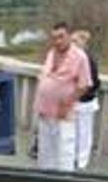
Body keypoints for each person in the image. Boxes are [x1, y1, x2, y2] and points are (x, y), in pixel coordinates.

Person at [32, 22, 93, 171]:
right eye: (54, 38)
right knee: (45, 152)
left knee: (64, 151)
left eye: (61, 37)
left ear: (69, 36)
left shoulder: (80, 56)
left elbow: (85, 85)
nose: (57, 41)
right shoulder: (51, 53)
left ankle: (64, 181)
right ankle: (45, 180)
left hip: (63, 113)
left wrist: (67, 104)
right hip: (45, 111)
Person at [71, 30, 101, 170]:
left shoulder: (88, 59)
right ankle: (74, 159)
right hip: (75, 102)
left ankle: (82, 162)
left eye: (75, 42)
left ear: (83, 43)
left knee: (84, 134)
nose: (72, 45)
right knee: (74, 132)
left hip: (85, 103)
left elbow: (94, 83)